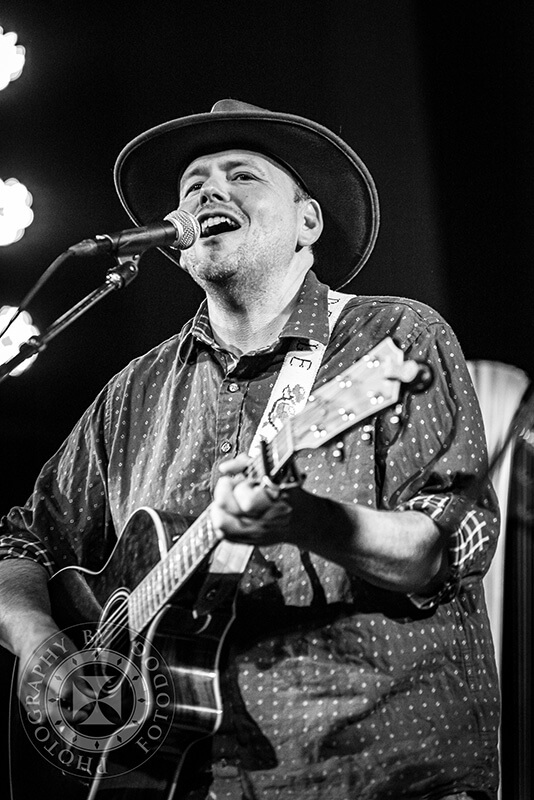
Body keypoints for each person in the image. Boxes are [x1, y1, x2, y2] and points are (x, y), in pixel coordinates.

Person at [0, 99, 500, 800]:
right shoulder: (133, 391)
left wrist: (308, 520)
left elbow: (444, 548)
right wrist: (35, 640)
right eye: (193, 185)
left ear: (308, 222)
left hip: (377, 770)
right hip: (181, 779)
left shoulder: (393, 340)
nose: (210, 190)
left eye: (242, 175)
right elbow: (21, 543)